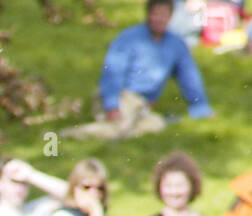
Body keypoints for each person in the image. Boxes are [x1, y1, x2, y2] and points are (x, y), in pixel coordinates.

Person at [68, 0, 213, 139]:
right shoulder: (129, 38)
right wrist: (112, 106)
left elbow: (189, 77)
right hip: (120, 96)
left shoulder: (176, 44)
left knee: (157, 125)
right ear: (148, 14)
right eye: (155, 14)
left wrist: (200, 106)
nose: (159, 19)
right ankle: (69, 134)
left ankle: (125, 127)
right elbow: (112, 73)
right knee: (120, 127)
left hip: (142, 104)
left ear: (170, 16)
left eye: (164, 15)